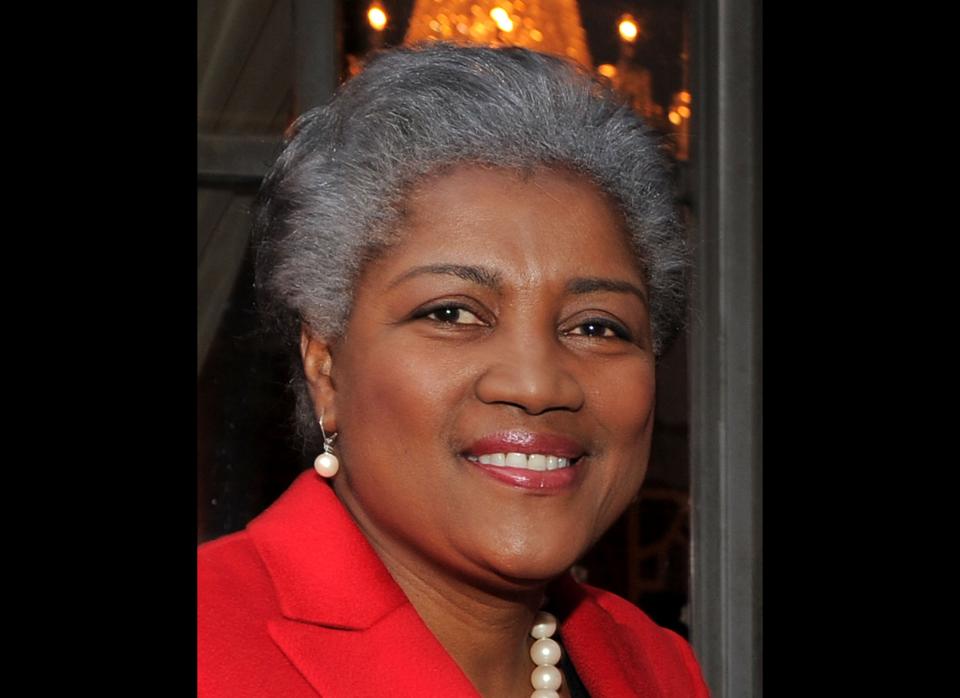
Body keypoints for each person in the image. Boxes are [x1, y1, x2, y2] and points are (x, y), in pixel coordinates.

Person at [198, 41, 709, 698]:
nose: (535, 383)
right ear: (325, 368)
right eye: (452, 314)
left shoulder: (657, 667)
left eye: (596, 326)